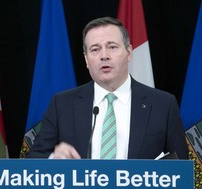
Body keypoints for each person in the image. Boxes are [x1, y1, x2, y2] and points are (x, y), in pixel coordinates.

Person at [26, 16, 188, 160]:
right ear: (87, 60)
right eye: (95, 49)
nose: (104, 55)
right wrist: (54, 158)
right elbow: (33, 159)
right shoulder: (62, 104)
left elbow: (181, 169)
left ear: (129, 52)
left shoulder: (163, 104)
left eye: (112, 47)